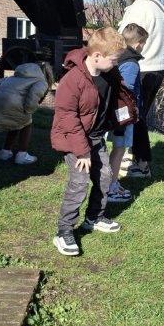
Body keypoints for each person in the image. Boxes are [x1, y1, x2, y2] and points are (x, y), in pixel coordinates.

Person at [50, 28, 136, 256]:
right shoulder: (73, 80)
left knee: (105, 175)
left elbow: (116, 96)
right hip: (75, 139)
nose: (116, 63)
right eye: (114, 59)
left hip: (97, 137)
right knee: (79, 182)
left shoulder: (109, 73)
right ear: (96, 55)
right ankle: (64, 231)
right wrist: (82, 152)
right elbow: (67, 117)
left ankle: (94, 217)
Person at [118, 0, 164, 179]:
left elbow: (125, 37)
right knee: (139, 115)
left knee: (132, 114)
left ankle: (140, 163)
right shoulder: (162, 10)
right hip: (159, 68)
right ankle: (137, 159)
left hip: (140, 67)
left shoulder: (139, 8)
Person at [107, 23, 149, 203]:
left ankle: (109, 182)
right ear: (139, 43)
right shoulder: (131, 64)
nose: (144, 46)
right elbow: (127, 90)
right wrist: (135, 110)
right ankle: (111, 187)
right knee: (119, 149)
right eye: (144, 43)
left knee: (116, 148)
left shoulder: (118, 57)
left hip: (114, 112)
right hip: (124, 114)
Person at [0, 62, 53, 165]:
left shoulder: (16, 77)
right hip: (13, 103)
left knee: (16, 123)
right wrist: (29, 110)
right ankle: (22, 155)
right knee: (26, 123)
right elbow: (33, 97)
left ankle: (5, 152)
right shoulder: (41, 82)